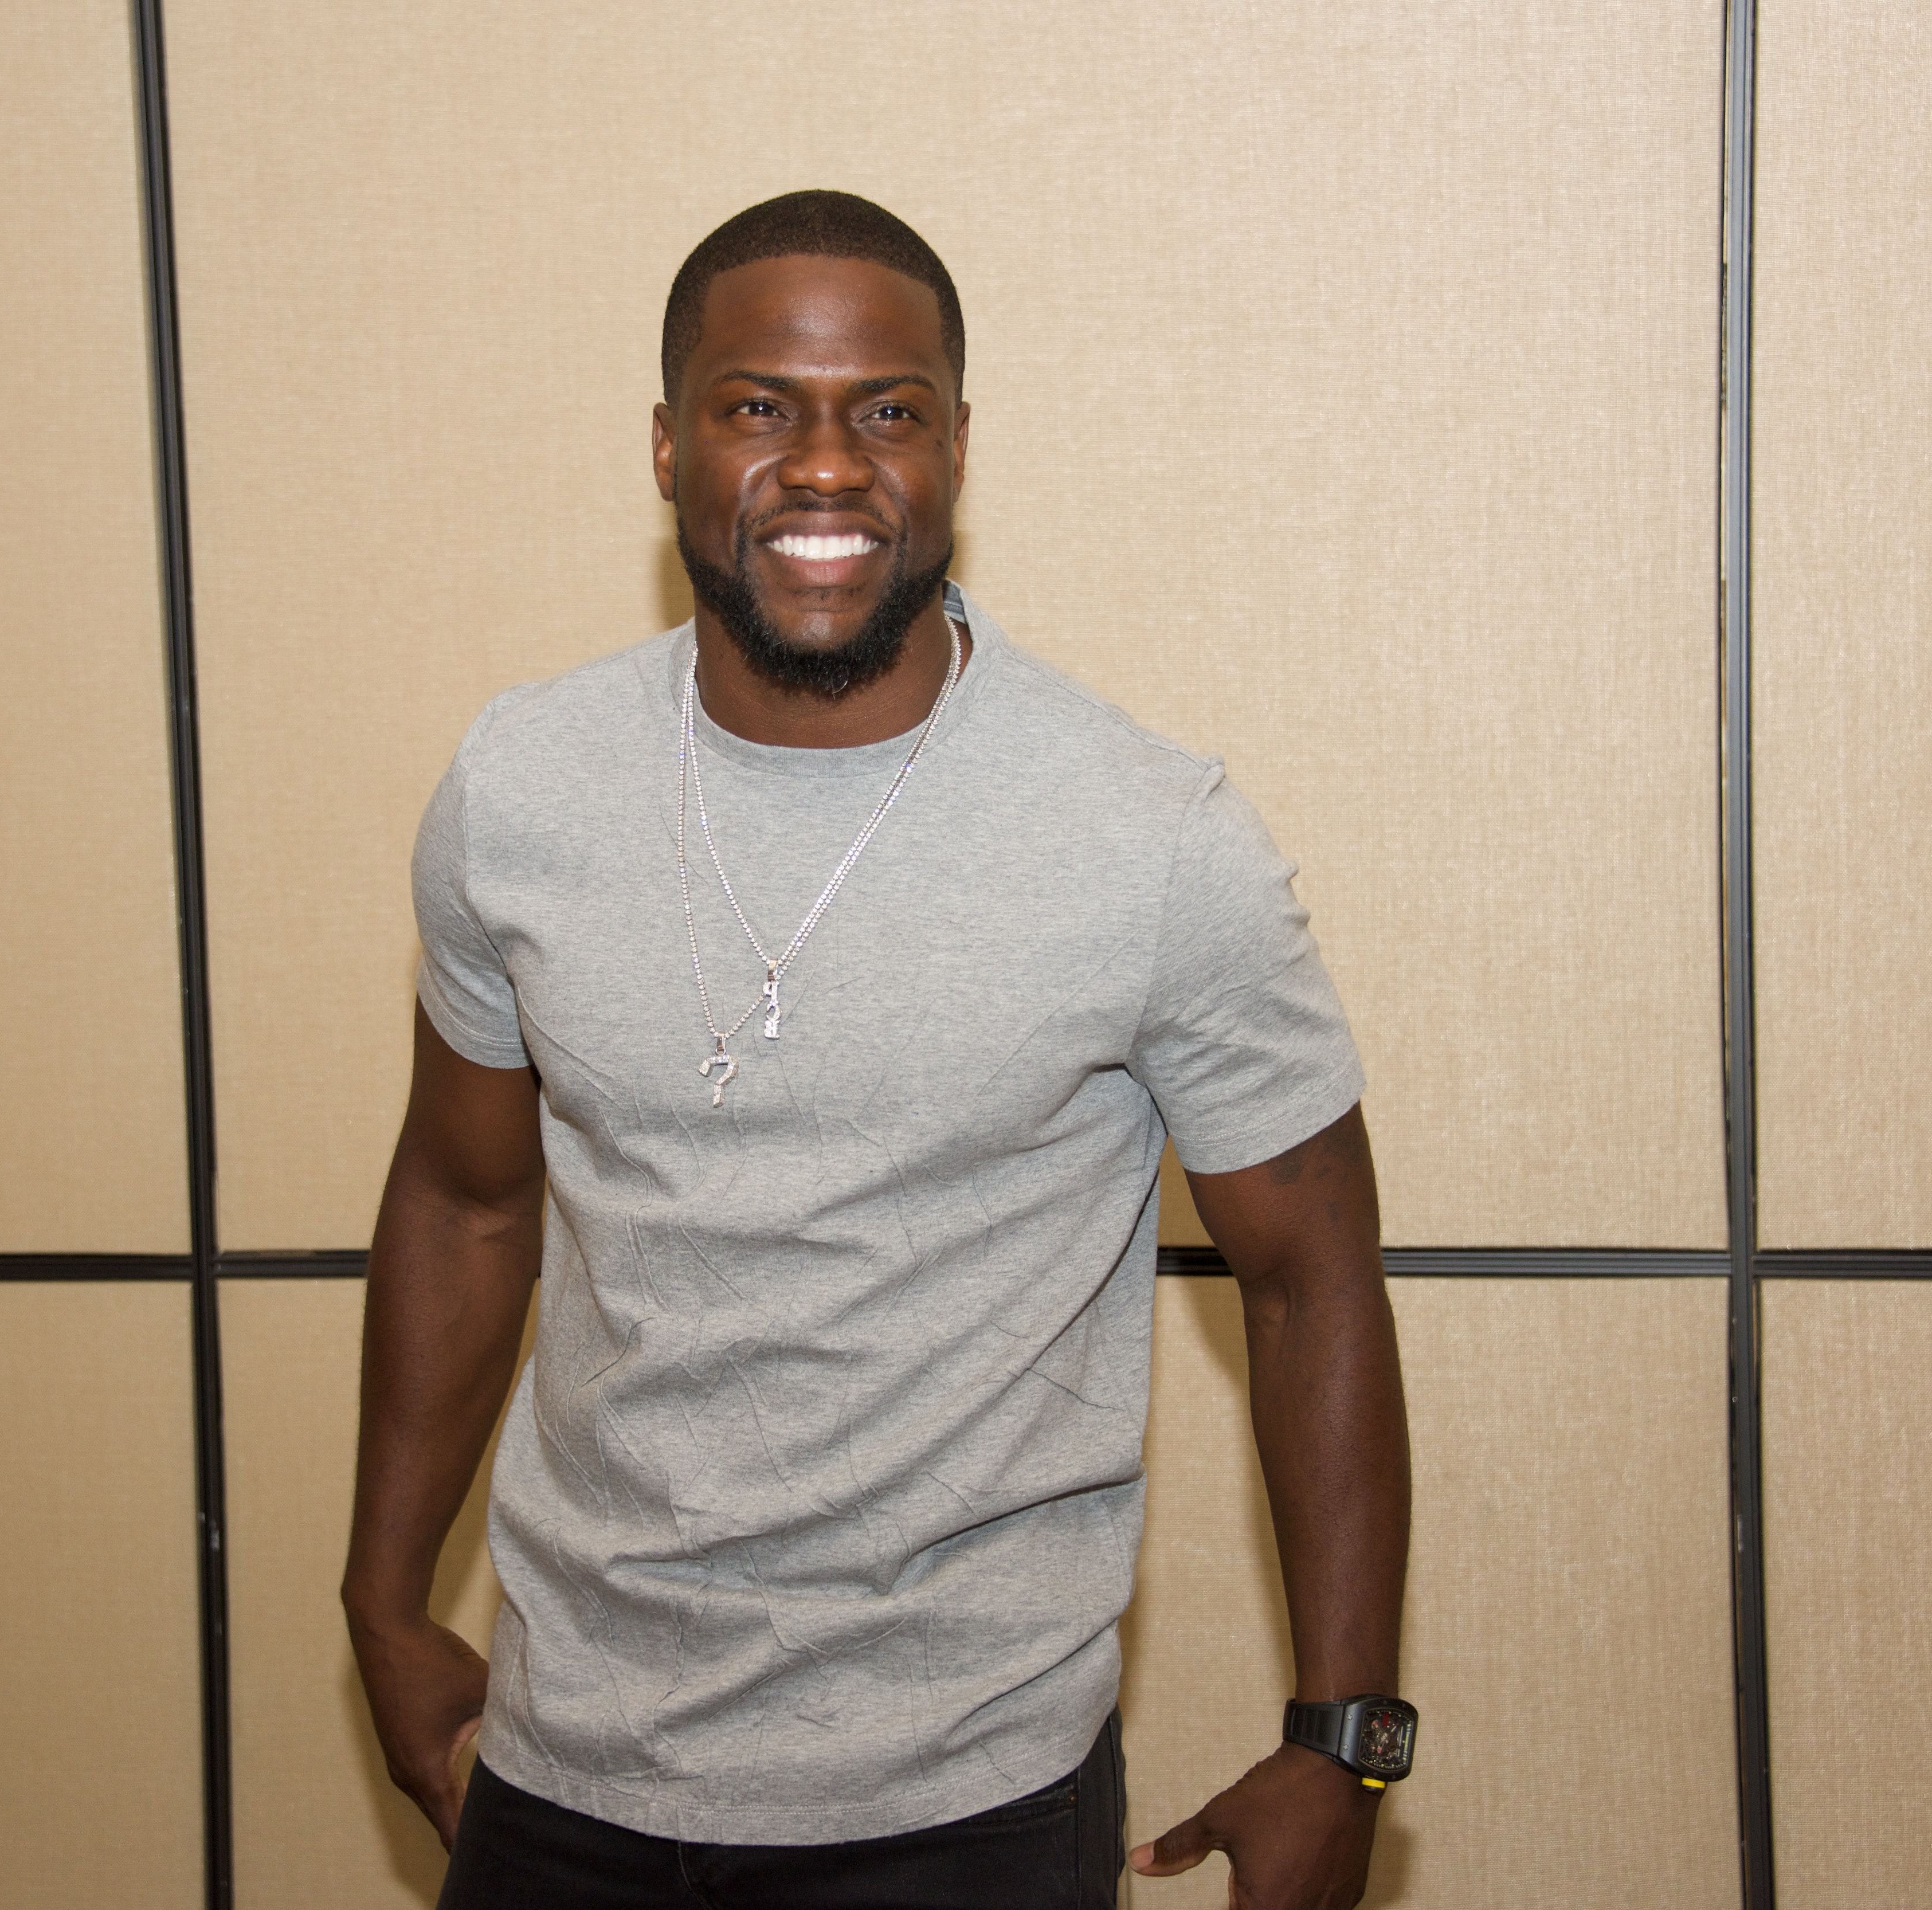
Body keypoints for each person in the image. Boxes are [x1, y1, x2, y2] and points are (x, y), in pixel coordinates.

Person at [345, 189, 1411, 1910]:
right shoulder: (521, 789)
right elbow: (465, 1206)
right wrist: (382, 1605)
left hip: (965, 1809)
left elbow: (1314, 1281)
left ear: (959, 450)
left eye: (886, 411)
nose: (824, 464)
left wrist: (1345, 1736)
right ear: (670, 445)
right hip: (559, 1776)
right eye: (760, 405)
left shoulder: (1151, 840)